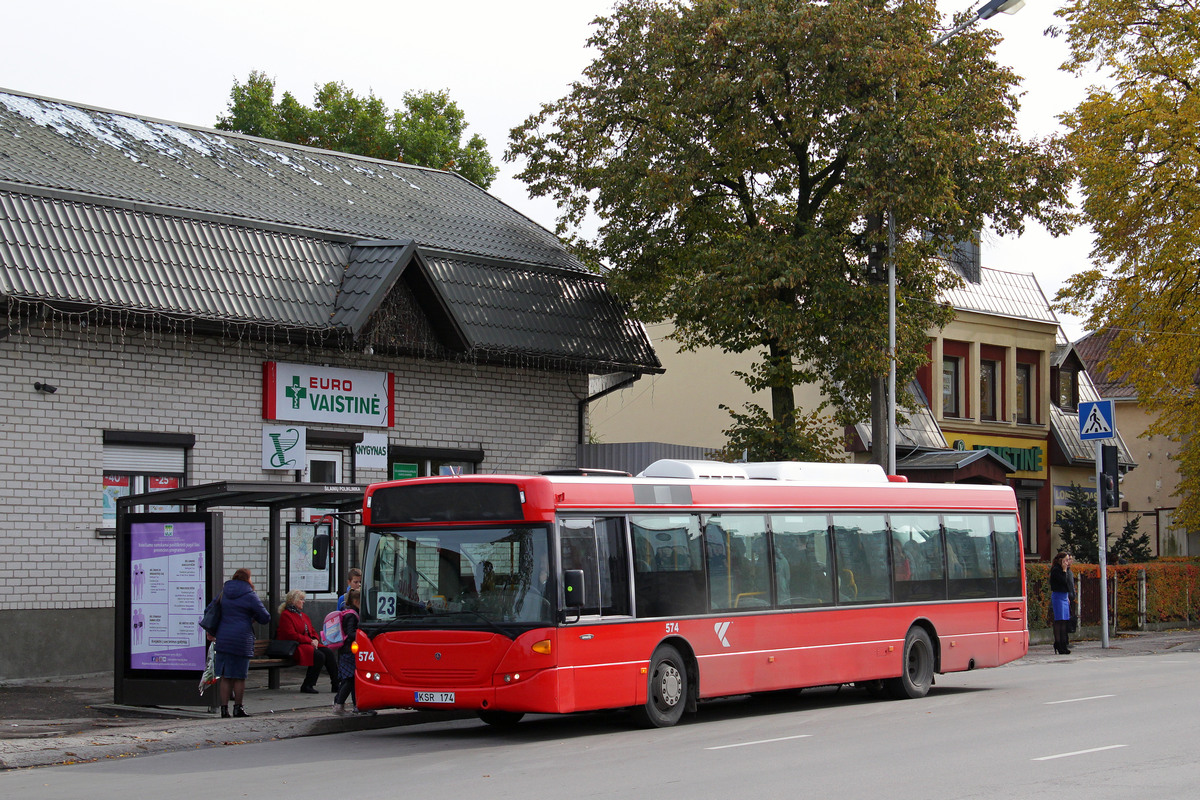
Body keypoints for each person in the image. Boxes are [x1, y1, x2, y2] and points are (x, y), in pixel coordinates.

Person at [213, 567, 270, 718]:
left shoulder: (224, 592)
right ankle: (238, 708)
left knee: (225, 676)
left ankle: (224, 710)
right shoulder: (250, 595)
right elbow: (265, 617)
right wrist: (251, 617)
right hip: (241, 639)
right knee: (239, 676)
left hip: (223, 638)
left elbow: (211, 609)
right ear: (247, 579)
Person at [276, 589, 339, 694]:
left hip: (307, 644)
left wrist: (315, 639)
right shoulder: (286, 615)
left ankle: (336, 683)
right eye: (301, 599)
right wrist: (310, 641)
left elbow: (312, 630)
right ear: (293, 601)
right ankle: (308, 684)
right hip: (295, 646)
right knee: (319, 656)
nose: (303, 602)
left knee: (328, 653)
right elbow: (291, 635)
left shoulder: (303, 615)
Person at [332, 588, 372, 715]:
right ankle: (339, 705)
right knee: (349, 679)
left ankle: (357, 705)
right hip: (349, 652)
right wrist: (363, 634)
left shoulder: (349, 612)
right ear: (356, 601)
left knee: (353, 679)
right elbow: (350, 633)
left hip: (348, 651)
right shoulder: (352, 615)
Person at [1049, 552, 1075, 654]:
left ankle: (1064, 644)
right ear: (1060, 560)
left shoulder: (1067, 570)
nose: (1067, 562)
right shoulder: (1056, 570)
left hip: (1064, 596)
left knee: (1065, 620)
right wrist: (1064, 570)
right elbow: (1063, 581)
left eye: (1068, 560)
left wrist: (1068, 596)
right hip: (1058, 596)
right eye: (1066, 560)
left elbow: (1068, 584)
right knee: (1059, 620)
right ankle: (1058, 644)